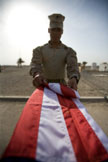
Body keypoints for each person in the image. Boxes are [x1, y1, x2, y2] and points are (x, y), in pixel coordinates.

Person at [30, 13, 80, 90]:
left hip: (61, 86)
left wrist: (74, 78)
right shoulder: (39, 50)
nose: (56, 33)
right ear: (49, 30)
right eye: (53, 29)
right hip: (44, 84)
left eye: (58, 30)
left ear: (62, 32)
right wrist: (37, 74)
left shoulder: (68, 51)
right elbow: (35, 64)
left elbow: (73, 66)